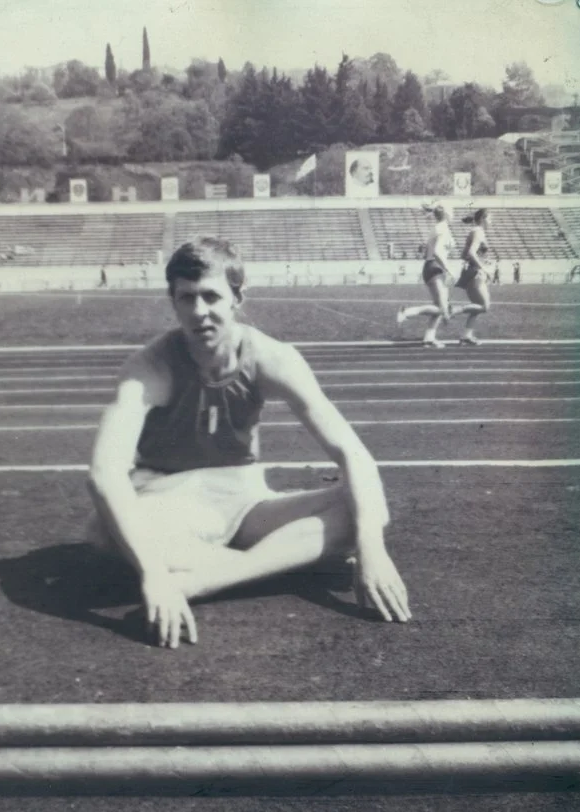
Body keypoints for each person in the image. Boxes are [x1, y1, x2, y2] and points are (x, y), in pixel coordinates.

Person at [87, 237, 410, 649]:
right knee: (107, 531)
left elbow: (352, 453)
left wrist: (373, 551)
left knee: (365, 511)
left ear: (237, 298)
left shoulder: (273, 357)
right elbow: (105, 474)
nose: (199, 312)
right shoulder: (150, 367)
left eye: (211, 296)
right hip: (169, 499)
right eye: (186, 298)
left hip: (242, 497)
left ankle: (203, 580)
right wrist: (152, 573)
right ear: (173, 302)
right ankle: (275, 561)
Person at [396, 204, 455, 348]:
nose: (454, 214)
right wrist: (448, 269)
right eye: (452, 211)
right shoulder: (442, 228)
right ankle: (406, 312)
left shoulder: (439, 228)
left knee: (439, 307)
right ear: (447, 214)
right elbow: (437, 252)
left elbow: (430, 250)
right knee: (442, 309)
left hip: (432, 266)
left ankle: (429, 338)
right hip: (436, 267)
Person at [453, 208, 492, 346]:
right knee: (484, 306)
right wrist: (484, 268)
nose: (491, 221)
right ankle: (454, 310)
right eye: (489, 218)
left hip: (473, 271)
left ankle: (466, 336)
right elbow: (471, 252)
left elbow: (464, 254)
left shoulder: (476, 231)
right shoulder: (478, 231)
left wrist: (482, 261)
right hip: (475, 272)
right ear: (482, 219)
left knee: (476, 307)